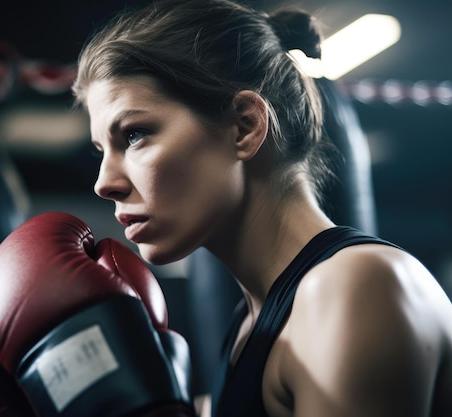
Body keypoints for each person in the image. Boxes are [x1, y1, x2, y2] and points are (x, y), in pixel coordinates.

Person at [71, 0, 452, 416]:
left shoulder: (353, 288)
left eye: (134, 135)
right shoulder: (251, 323)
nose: (104, 183)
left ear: (245, 126)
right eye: (100, 151)